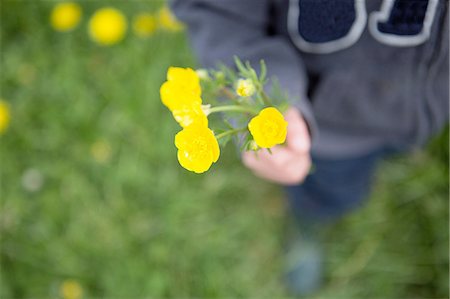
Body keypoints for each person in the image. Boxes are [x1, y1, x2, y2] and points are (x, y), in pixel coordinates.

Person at [171, 0, 449, 295]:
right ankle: (308, 226)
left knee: (394, 153)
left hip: (427, 111)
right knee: (327, 192)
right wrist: (259, 103)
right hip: (325, 128)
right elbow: (218, 13)